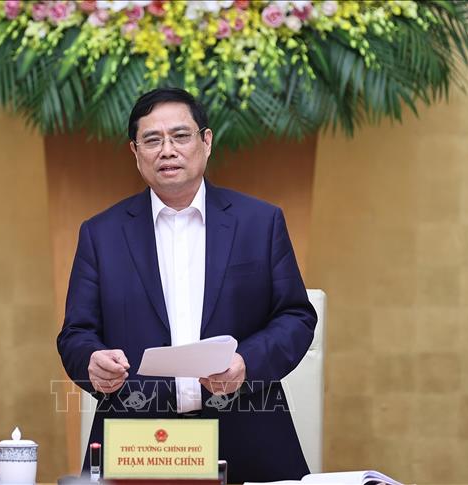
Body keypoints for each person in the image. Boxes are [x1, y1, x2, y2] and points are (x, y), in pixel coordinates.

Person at [57, 87, 317, 483]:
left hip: (246, 431)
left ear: (206, 142)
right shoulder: (101, 234)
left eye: (180, 136)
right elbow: (76, 334)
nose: (167, 150)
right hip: (139, 441)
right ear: (135, 152)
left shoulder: (259, 223)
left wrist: (246, 363)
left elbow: (295, 317)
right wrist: (91, 360)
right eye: (152, 140)